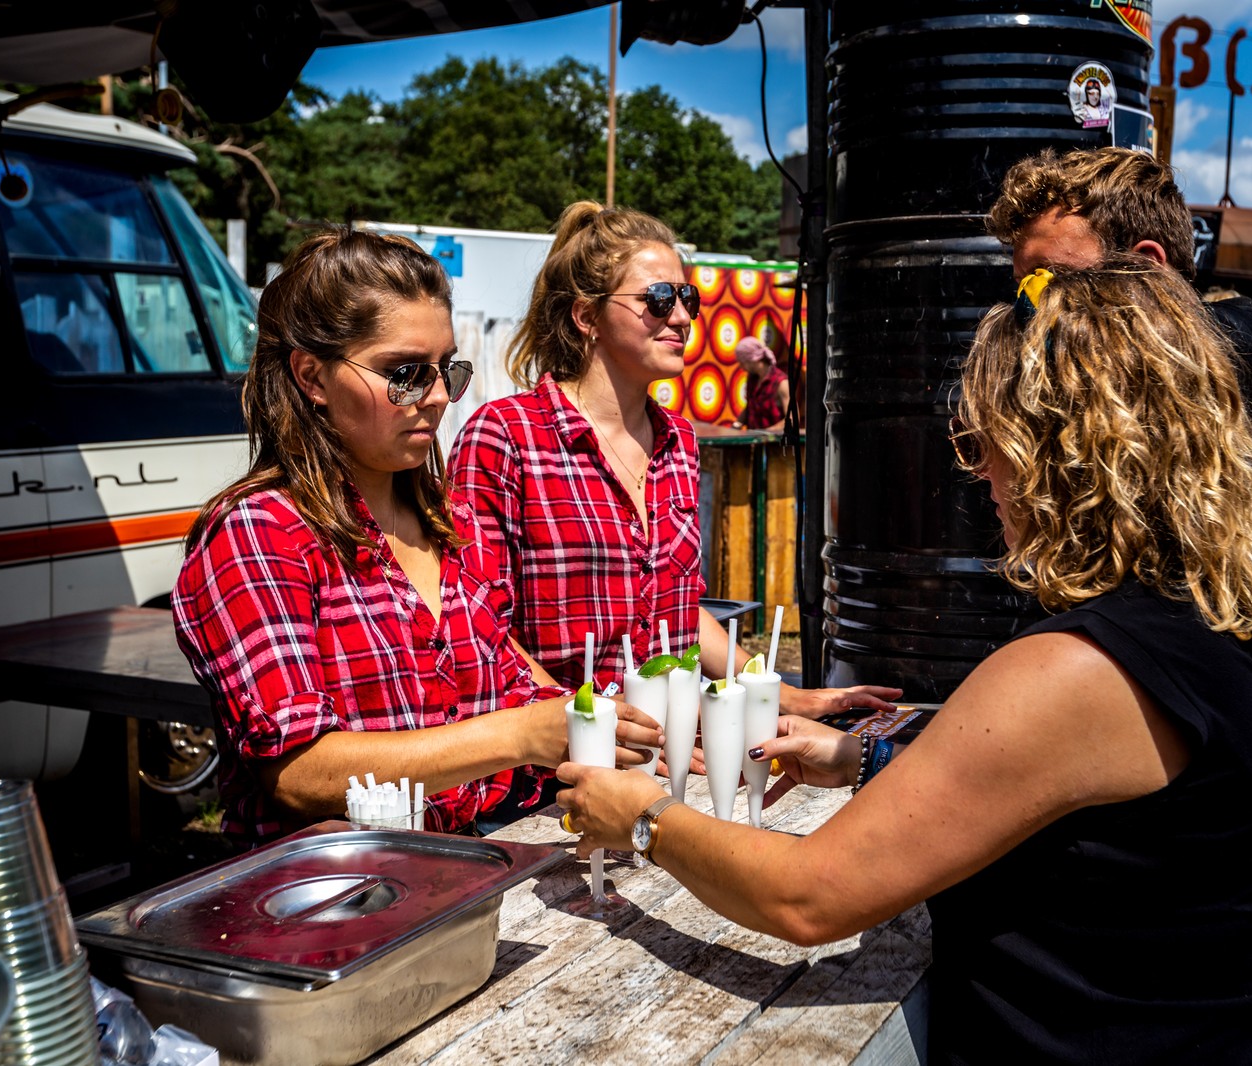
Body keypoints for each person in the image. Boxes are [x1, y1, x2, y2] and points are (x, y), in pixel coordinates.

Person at [558, 261, 1252, 1064]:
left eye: (985, 439)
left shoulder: (1078, 668)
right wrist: (865, 758)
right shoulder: (1224, 615)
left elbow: (806, 894)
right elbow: (1087, 823)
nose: (978, 469)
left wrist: (640, 816)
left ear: (1062, 449)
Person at [985, 146, 1252, 1062]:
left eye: (1049, 285)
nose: (1033, 315)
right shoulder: (1244, 339)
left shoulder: (1209, 358)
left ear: (1148, 269)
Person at [172, 229, 662, 842]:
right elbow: (300, 771)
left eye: (445, 371)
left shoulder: (450, 520)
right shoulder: (258, 534)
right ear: (312, 378)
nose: (435, 397)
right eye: (403, 373)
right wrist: (520, 735)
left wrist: (606, 727)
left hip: (468, 866)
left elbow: (503, 670)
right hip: (332, 900)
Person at [449, 202, 899, 716]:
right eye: (659, 299)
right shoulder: (507, 436)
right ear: (586, 315)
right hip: (551, 771)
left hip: (667, 748)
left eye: (687, 296)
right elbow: (479, 624)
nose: (682, 317)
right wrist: (588, 723)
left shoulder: (677, 440)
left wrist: (782, 694)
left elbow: (680, 612)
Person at [734, 336, 789, 431]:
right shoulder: (752, 379)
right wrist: (736, 425)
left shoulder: (781, 383)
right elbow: (751, 407)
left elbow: (791, 420)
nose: (741, 367)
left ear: (752, 359)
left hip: (773, 444)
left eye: (742, 363)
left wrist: (766, 433)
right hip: (754, 443)